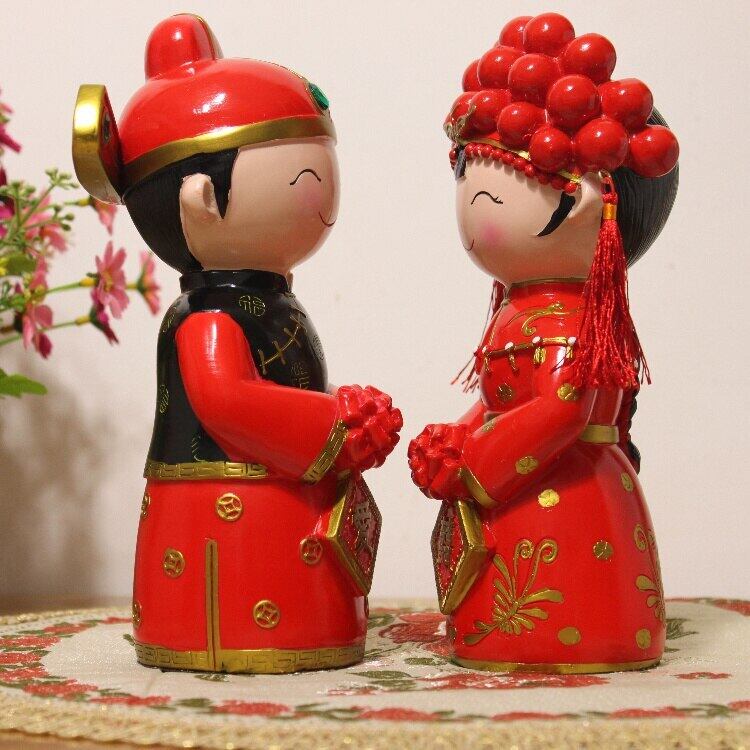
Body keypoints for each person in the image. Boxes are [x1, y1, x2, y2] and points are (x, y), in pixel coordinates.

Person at [72, 14, 401, 673]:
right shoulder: (209, 319)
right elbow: (229, 403)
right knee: (248, 599)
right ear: (201, 199)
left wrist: (340, 413)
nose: (323, 196)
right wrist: (337, 426)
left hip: (279, 503)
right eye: (303, 179)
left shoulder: (270, 302)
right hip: (234, 513)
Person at [408, 12, 678, 673]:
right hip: (523, 493)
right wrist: (459, 436)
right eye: (468, 191)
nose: (471, 216)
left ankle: (563, 642)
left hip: (559, 495)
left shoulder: (572, 321)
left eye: (491, 197)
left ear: (582, 202)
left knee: (555, 607)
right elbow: (503, 402)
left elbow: (561, 411)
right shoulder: (519, 310)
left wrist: (475, 464)